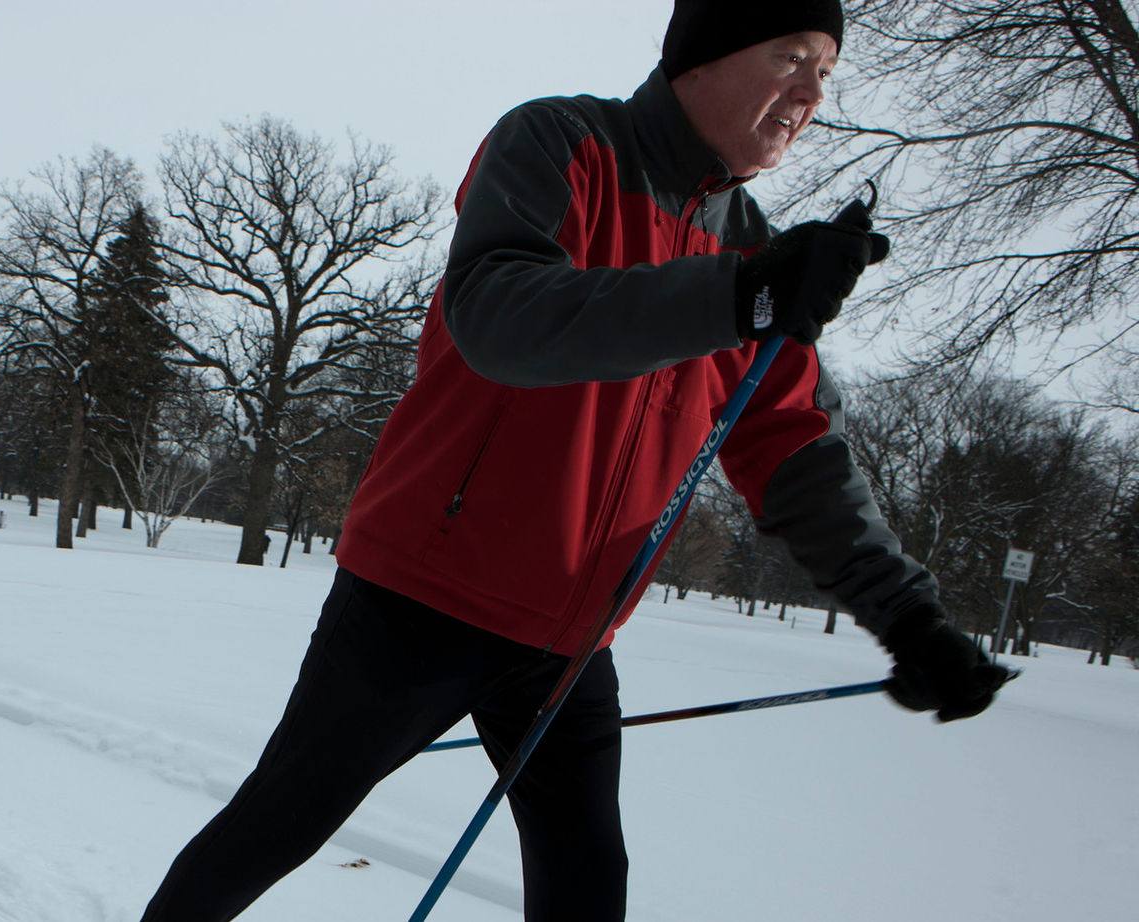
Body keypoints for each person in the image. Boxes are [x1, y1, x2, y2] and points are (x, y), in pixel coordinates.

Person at [136, 2, 1011, 920]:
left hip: (568, 639)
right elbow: (501, 317)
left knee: (588, 890)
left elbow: (791, 443)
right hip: (421, 604)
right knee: (277, 825)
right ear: (700, 60)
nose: (809, 92)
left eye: (826, 72)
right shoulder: (563, 143)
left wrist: (908, 616)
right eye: (789, 57)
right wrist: (741, 295)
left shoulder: (751, 248)